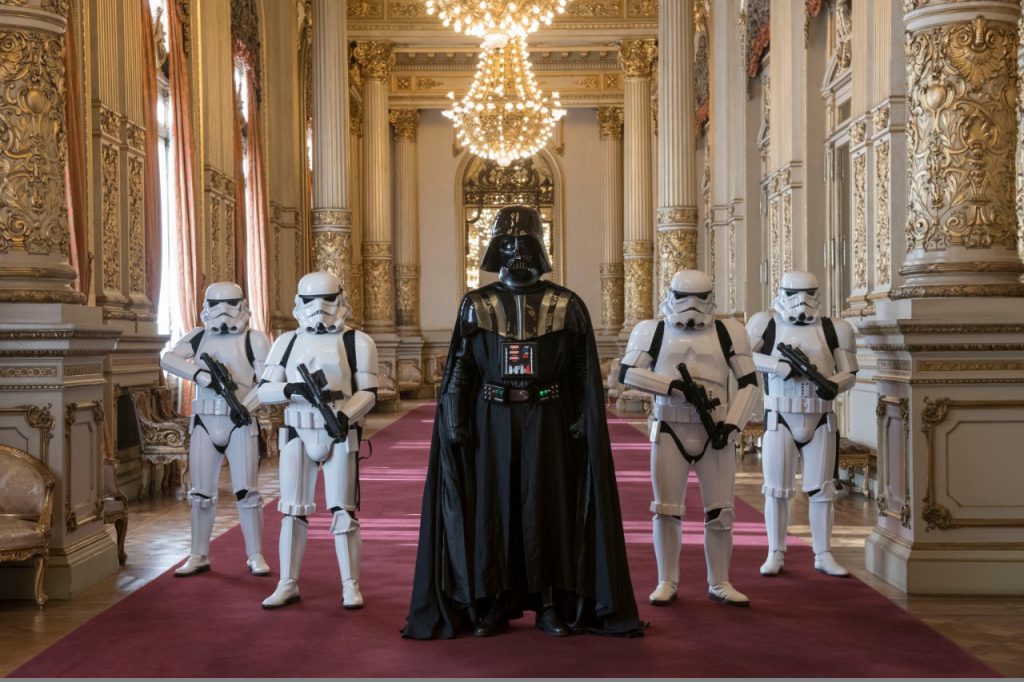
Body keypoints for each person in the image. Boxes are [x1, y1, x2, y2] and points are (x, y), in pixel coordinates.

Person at [403, 205, 643, 639]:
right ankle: (494, 601)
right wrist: (455, 418)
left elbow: (581, 372)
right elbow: (461, 368)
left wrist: (584, 418)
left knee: (547, 507)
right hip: (490, 420)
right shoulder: (476, 305)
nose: (517, 252)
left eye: (525, 242)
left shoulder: (567, 304)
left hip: (548, 419)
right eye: (508, 243)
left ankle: (550, 603)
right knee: (493, 508)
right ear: (495, 248)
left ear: (540, 246)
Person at [620, 270, 758, 607]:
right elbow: (628, 372)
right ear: (670, 296)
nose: (691, 305)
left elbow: (749, 382)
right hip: (670, 426)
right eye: (683, 298)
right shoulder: (651, 331)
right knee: (666, 509)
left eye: (699, 297)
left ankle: (720, 581)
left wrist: (733, 424)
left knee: (721, 511)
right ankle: (666, 580)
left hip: (716, 429)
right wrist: (670, 387)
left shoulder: (729, 331)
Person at [257, 272, 379, 609]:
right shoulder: (286, 342)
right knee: (292, 511)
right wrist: (290, 389)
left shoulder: (358, 341)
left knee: (343, 511)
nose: (318, 307)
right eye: (310, 300)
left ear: (340, 299)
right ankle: (287, 582)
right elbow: (263, 390)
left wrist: (345, 416)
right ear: (299, 302)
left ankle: (350, 585)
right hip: (297, 431)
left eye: (326, 299)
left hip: (339, 430)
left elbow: (369, 391)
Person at [746, 271, 858, 577]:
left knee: (823, 490)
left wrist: (834, 385)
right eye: (794, 294)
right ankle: (775, 552)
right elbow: (741, 357)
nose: (802, 301)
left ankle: (823, 553)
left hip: (820, 417)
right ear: (781, 293)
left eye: (809, 293)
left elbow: (849, 372)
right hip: (780, 416)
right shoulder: (765, 324)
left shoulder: (835, 328)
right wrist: (776, 366)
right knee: (776, 490)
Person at [161, 282, 271, 578]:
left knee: (247, 492)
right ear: (206, 307)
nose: (223, 311)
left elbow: (266, 382)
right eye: (216, 305)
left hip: (240, 421)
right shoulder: (198, 337)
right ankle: (198, 554)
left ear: (242, 305)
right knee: (200, 493)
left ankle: (255, 555)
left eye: (231, 304)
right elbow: (167, 358)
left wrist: (245, 407)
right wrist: (199, 374)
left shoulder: (255, 339)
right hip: (204, 422)